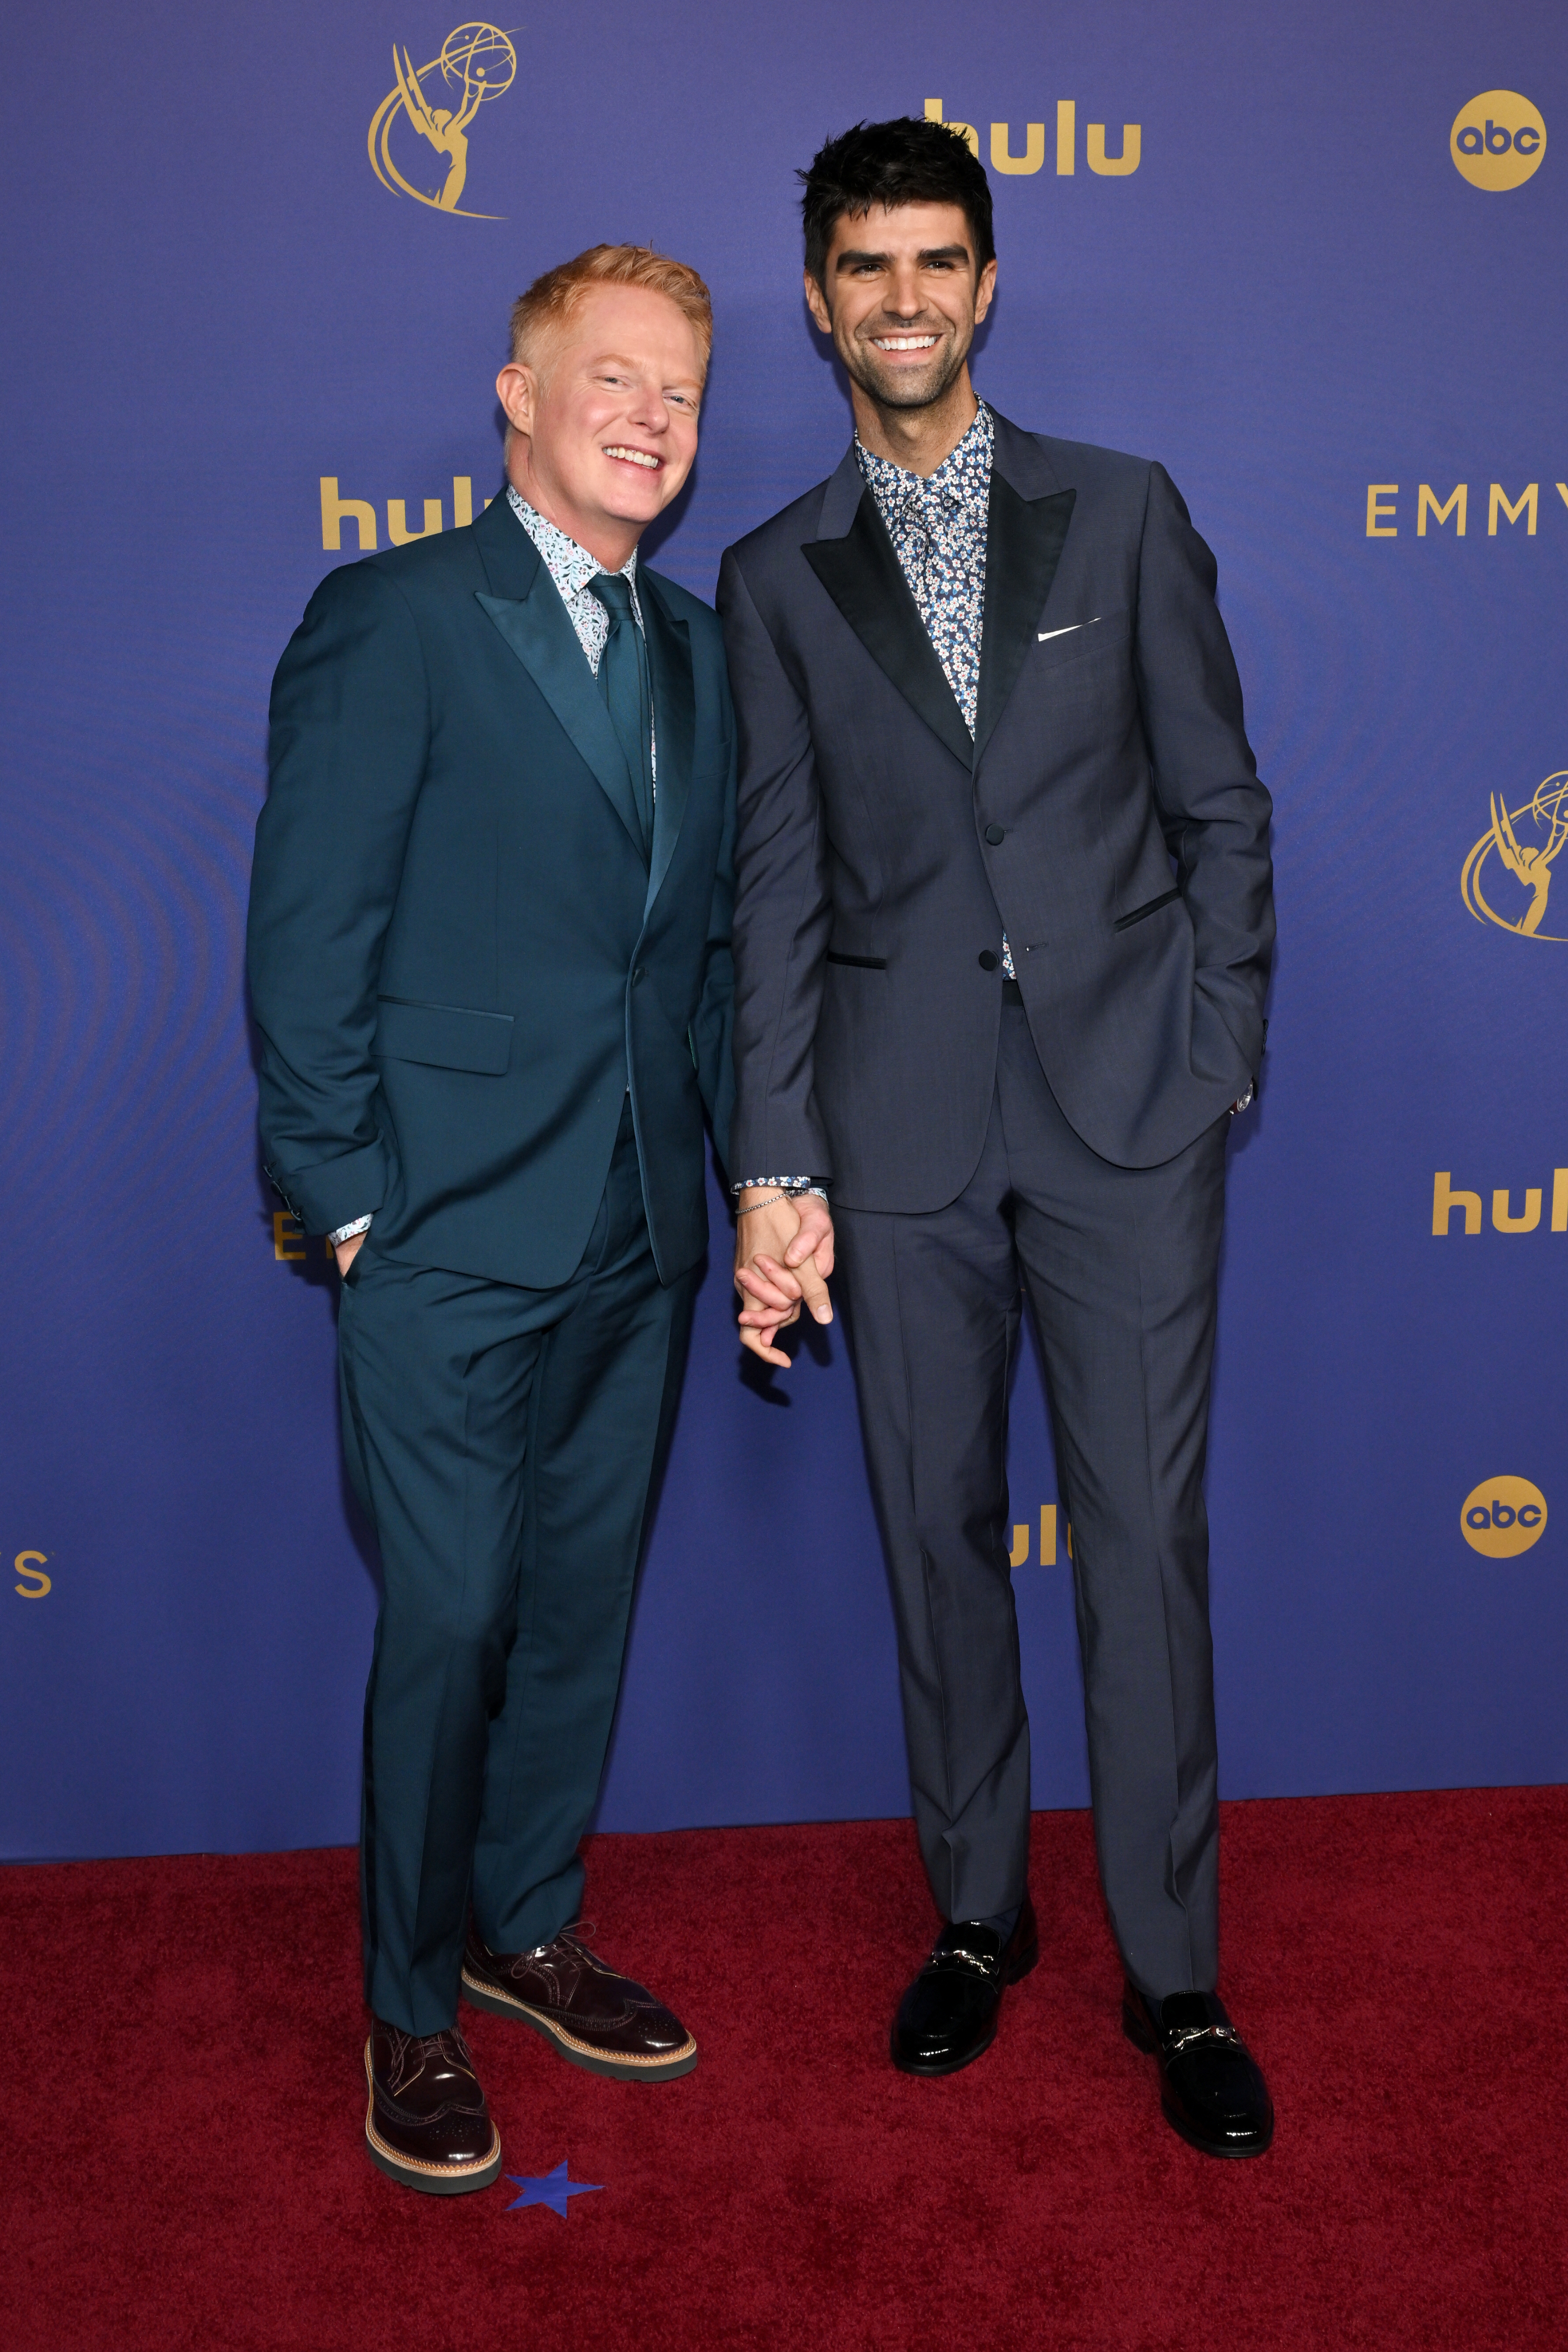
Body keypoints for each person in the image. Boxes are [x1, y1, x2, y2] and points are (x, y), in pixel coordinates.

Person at [719, 119, 1276, 2157]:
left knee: (1141, 1545)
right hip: (896, 1132)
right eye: (866, 266)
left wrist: (1219, 1055)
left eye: (936, 260)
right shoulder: (769, 575)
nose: (905, 298)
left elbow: (1220, 807)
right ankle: (977, 1914)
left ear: (985, 282)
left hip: (1129, 1114)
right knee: (932, 1533)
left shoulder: (1120, 511)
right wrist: (775, 1158)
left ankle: (1174, 1970)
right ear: (818, 300)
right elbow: (774, 891)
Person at [248, 244, 735, 2193]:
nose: (649, 417)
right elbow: (309, 936)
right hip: (441, 1227)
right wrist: (346, 1201)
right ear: (519, 397)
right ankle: (409, 2004)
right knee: (449, 1615)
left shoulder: (698, 647)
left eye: (679, 391)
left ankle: (523, 1927)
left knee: (576, 1605)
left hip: (640, 1222)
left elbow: (697, 957)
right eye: (612, 377)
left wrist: (744, 1173)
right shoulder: (392, 615)